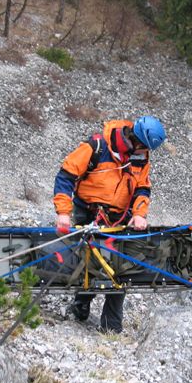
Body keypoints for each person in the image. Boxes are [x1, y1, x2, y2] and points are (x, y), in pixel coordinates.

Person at [53, 116, 167, 333]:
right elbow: (65, 176)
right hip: (88, 213)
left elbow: (142, 188)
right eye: (142, 147)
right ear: (135, 138)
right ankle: (80, 306)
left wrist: (140, 213)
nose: (143, 153)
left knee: (121, 267)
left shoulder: (141, 157)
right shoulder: (96, 147)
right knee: (91, 263)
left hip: (119, 218)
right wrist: (63, 213)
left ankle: (111, 327)